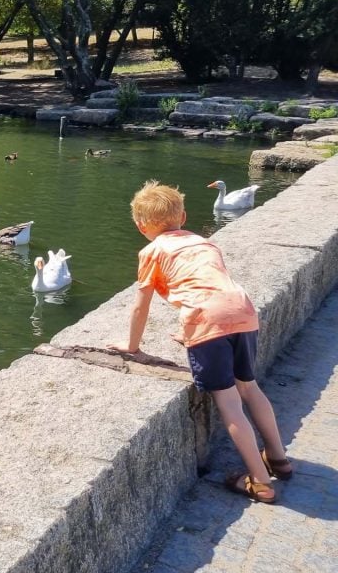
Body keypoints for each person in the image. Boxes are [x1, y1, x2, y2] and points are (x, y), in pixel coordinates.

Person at [108, 180, 292, 503]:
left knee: (230, 402)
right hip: (243, 313)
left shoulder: (151, 251)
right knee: (249, 388)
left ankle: (261, 482)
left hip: (208, 320)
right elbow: (208, 286)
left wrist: (132, 347)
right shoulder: (204, 243)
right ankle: (278, 458)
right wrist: (192, 334)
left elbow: (141, 306)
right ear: (184, 216)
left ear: (141, 226)